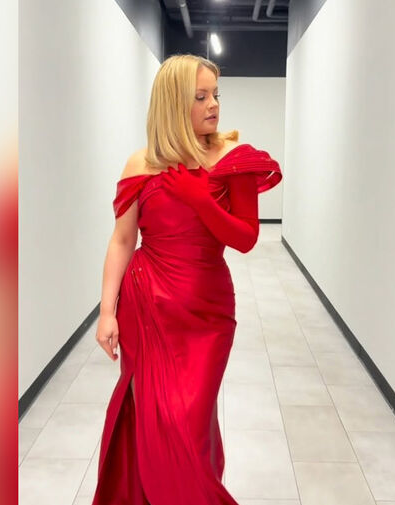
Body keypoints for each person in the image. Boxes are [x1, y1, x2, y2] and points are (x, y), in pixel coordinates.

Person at [90, 54, 282, 505]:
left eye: (216, 94)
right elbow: (122, 240)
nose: (214, 104)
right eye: (200, 96)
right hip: (147, 307)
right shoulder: (141, 165)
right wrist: (106, 311)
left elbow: (245, 238)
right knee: (150, 417)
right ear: (174, 102)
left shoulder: (233, 158)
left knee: (189, 424)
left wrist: (201, 200)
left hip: (207, 313)